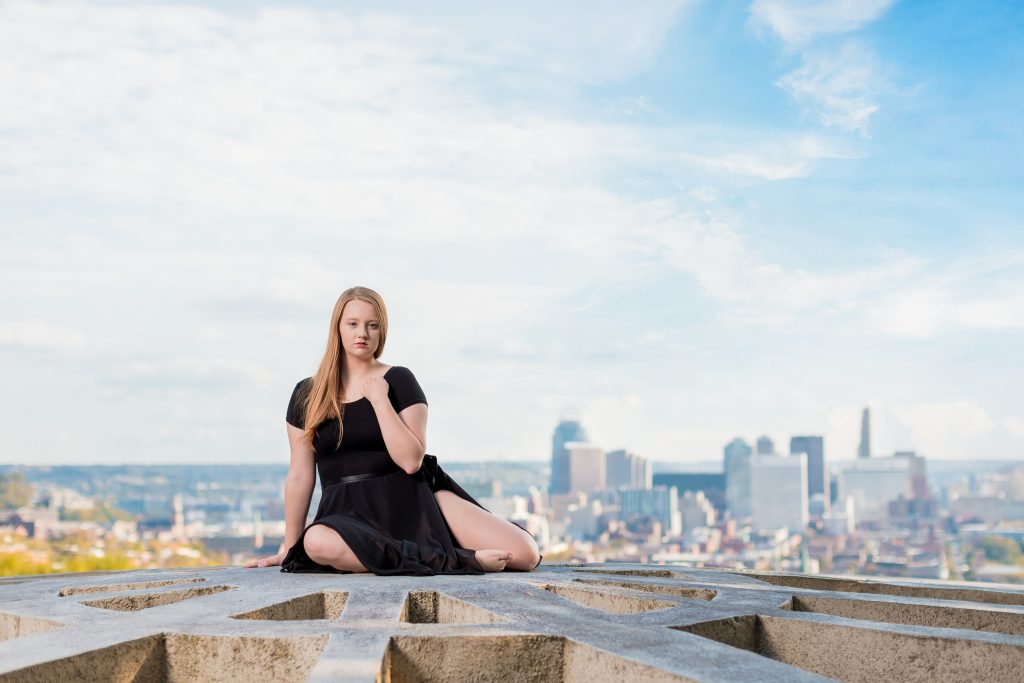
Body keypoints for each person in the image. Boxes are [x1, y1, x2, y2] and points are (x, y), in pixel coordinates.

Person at [244, 286, 541, 575]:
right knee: (315, 542)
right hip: (347, 514)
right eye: (353, 324)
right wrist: (290, 548)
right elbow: (299, 476)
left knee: (525, 553)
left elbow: (411, 460)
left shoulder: (399, 379)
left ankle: (433, 556)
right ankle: (460, 560)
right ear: (337, 328)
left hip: (413, 497)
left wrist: (379, 400)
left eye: (372, 325)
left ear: (381, 331)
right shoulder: (307, 394)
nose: (362, 333)